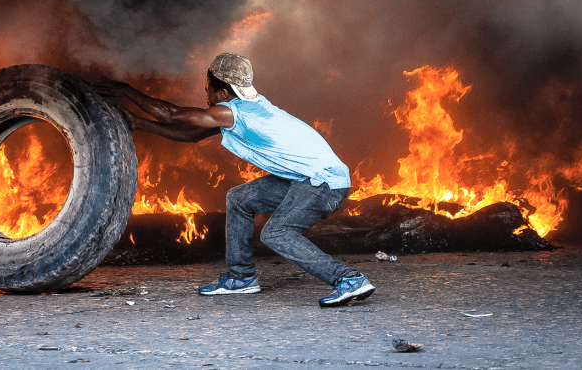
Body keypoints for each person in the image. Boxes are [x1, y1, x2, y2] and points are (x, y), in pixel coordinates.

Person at [95, 52, 374, 307]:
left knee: (276, 233)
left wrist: (124, 90)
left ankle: (348, 279)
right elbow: (190, 134)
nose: (205, 94)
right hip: (304, 180)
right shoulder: (244, 109)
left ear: (223, 91)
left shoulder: (231, 112)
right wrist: (141, 124)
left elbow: (172, 114)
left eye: (207, 89)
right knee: (240, 198)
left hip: (324, 184)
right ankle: (241, 278)